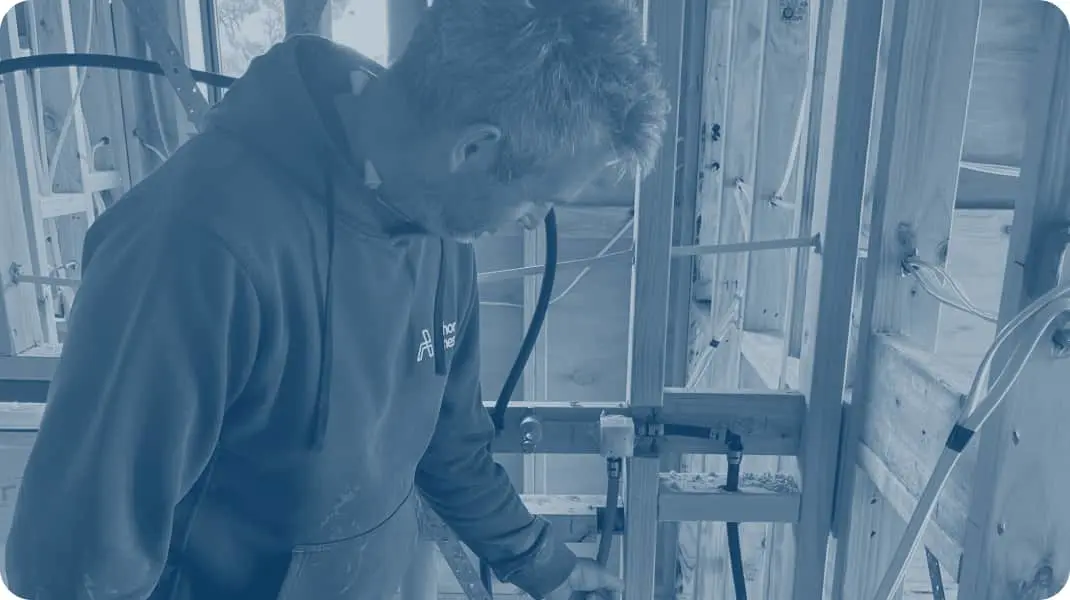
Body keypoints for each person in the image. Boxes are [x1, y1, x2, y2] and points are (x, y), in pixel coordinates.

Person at [3, 0, 669, 598]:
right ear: (474, 147)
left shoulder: (440, 232)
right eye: (538, 200)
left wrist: (545, 564)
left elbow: (448, 444)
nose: (530, 222)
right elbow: (75, 566)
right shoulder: (193, 245)